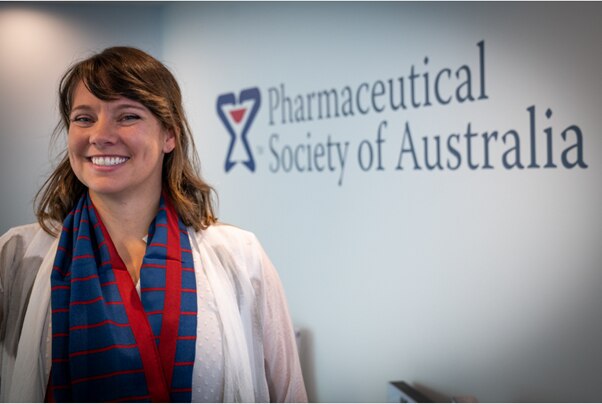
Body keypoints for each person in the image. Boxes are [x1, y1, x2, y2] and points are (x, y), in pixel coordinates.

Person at [0, 46, 307, 403]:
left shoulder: (240, 256)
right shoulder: (17, 256)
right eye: (84, 118)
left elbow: (291, 396)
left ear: (169, 136)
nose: (100, 135)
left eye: (127, 116)